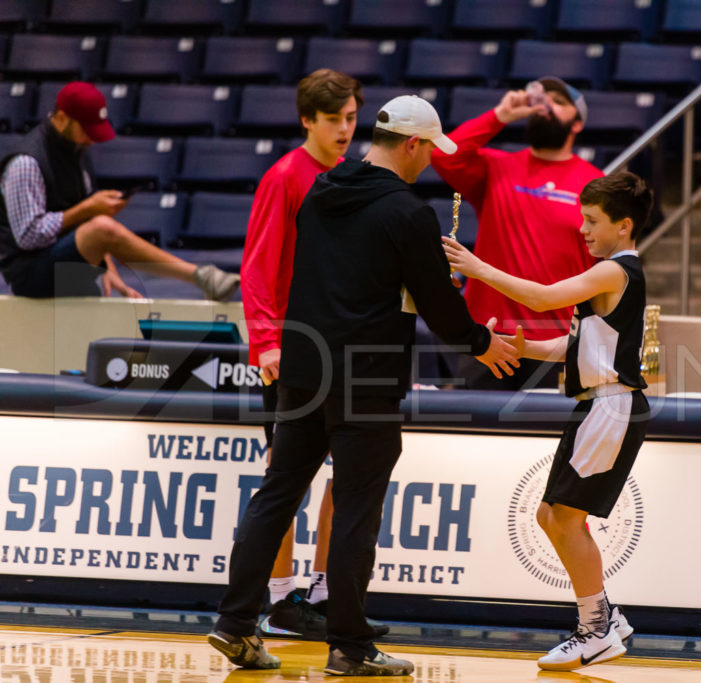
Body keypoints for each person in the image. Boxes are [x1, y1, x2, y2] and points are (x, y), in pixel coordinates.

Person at [208, 95, 519, 676]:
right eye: (429, 150)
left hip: (303, 365)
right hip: (366, 377)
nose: (431, 162)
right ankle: (350, 647)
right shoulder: (407, 213)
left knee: (277, 492)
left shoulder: (321, 190)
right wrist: (483, 343)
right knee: (355, 509)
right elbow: (438, 307)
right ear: (411, 144)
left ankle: (234, 624)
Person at [443, 170, 653, 671]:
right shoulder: (608, 273)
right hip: (597, 405)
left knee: (562, 518)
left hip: (611, 406)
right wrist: (526, 349)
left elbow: (540, 297)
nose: (582, 229)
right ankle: (604, 618)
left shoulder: (615, 271)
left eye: (592, 221)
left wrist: (478, 267)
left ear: (624, 227)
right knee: (551, 516)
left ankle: (595, 629)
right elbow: (577, 344)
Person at [240, 68, 387, 642]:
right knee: (288, 479)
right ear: (307, 119)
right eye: (335, 121)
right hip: (293, 349)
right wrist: (266, 341)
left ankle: (324, 595)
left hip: (341, 347)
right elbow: (257, 267)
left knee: (346, 474)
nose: (346, 130)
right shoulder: (285, 177)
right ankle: (279, 602)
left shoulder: (350, 176)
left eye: (353, 118)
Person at [430, 77, 603, 390]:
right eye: (544, 99)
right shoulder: (498, 167)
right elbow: (444, 156)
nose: (547, 106)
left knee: (550, 438)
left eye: (560, 102)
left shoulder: (595, 184)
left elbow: (604, 270)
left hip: (556, 344)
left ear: (577, 124)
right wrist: (500, 115)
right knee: (472, 435)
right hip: (489, 339)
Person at [0, 82, 238, 301]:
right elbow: (28, 236)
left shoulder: (75, 151)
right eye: (87, 130)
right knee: (102, 226)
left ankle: (203, 278)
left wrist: (107, 269)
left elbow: (88, 226)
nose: (92, 140)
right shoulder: (26, 162)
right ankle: (201, 277)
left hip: (62, 263)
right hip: (30, 273)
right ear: (62, 118)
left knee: (100, 225)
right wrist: (87, 209)